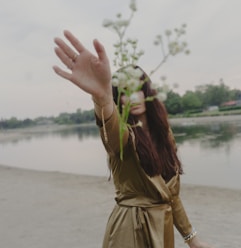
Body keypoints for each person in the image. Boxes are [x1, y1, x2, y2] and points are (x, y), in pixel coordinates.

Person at [53, 30, 214, 248]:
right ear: (119, 98)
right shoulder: (124, 136)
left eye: (138, 89)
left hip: (163, 231)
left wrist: (192, 240)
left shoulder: (165, 135)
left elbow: (172, 196)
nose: (134, 97)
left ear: (148, 92)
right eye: (125, 92)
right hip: (130, 231)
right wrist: (102, 98)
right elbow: (111, 132)